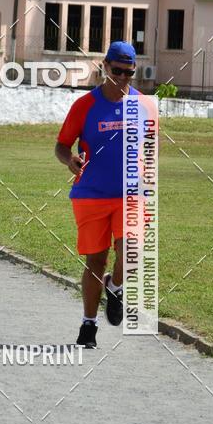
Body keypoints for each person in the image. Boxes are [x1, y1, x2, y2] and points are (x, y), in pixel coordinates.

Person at [55, 41, 139, 348]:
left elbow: (150, 148)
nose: (122, 78)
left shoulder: (143, 104)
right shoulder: (85, 105)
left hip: (130, 195)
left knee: (133, 250)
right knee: (97, 259)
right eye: (117, 71)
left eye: (129, 73)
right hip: (90, 194)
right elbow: (62, 145)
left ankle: (115, 288)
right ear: (105, 67)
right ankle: (88, 325)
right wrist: (70, 160)